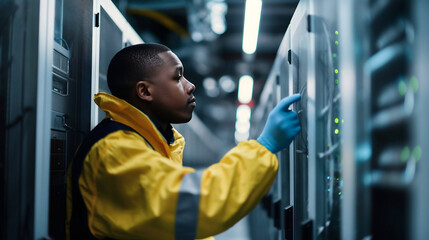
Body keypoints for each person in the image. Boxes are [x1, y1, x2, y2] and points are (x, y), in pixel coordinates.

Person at [65, 43, 301, 240]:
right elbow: (197, 204)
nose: (190, 85)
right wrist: (265, 146)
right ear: (145, 92)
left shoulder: (153, 142)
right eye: (177, 77)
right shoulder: (114, 151)